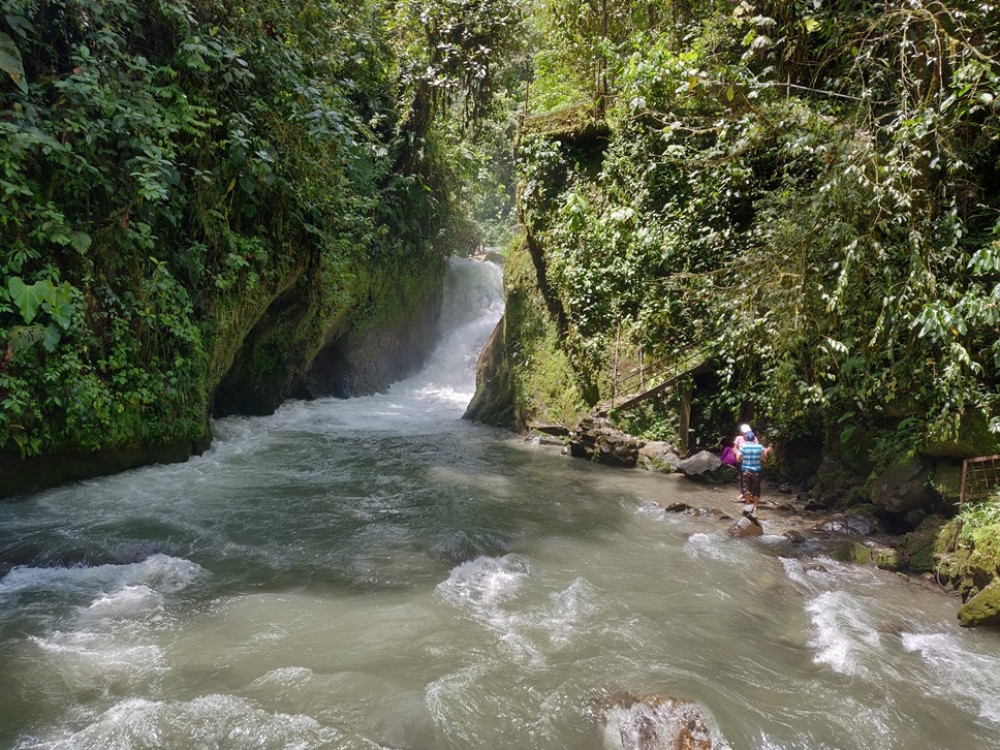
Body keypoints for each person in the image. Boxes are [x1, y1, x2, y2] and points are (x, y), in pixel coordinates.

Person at [735, 430, 772, 516]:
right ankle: (755, 507)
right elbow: (764, 459)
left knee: (746, 488)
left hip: (745, 470)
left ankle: (748, 506)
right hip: (756, 471)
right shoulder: (760, 447)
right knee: (756, 489)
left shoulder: (743, 447)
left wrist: (737, 453)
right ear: (754, 438)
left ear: (746, 438)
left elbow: (738, 459)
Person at [732, 423, 752, 502]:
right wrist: (738, 454)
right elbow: (734, 448)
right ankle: (743, 493)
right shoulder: (738, 438)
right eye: (745, 433)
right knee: (743, 477)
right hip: (742, 460)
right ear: (742, 433)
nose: (746, 434)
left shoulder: (753, 438)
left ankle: (751, 493)